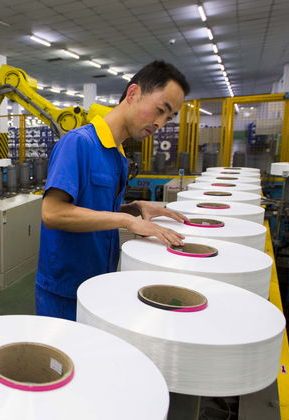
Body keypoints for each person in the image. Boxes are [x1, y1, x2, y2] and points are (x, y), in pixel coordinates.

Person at [36, 60, 190, 321]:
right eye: (160, 110)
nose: (160, 123)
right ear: (133, 94)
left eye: (169, 117)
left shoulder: (118, 155)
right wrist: (126, 220)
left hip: (100, 282)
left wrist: (133, 208)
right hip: (65, 291)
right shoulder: (78, 143)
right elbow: (53, 213)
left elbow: (90, 208)